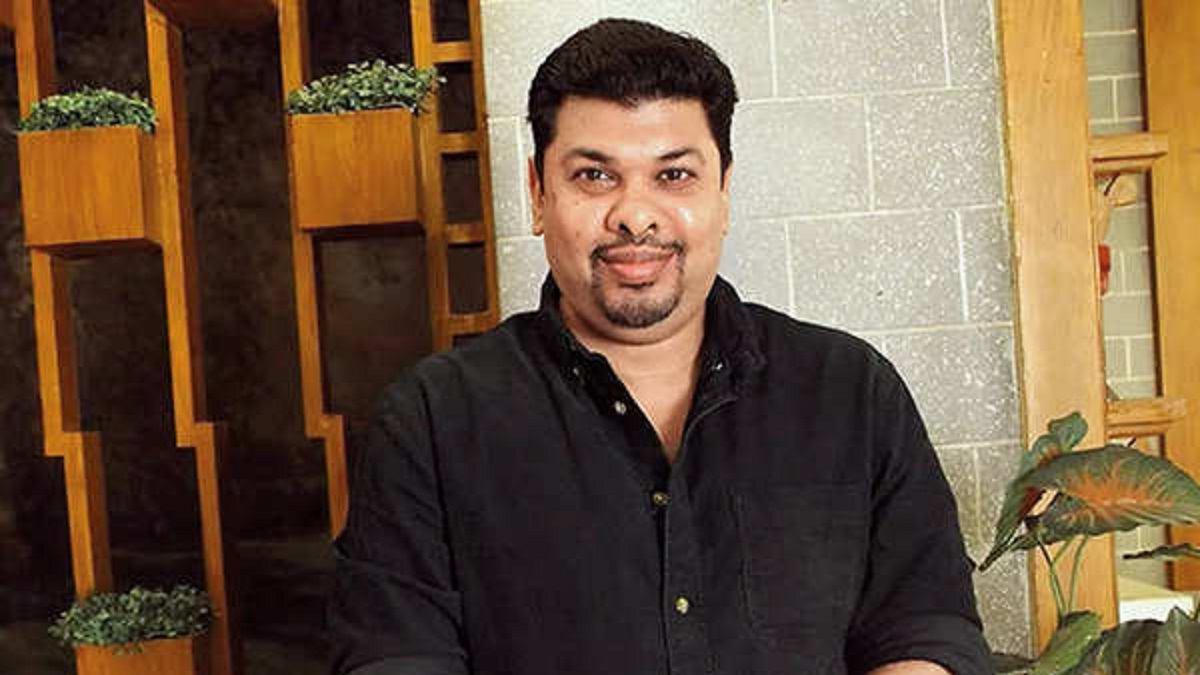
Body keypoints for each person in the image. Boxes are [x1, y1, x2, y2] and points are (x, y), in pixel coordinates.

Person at [329, 18, 991, 675]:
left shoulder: (849, 391)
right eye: (595, 175)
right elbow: (395, 655)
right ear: (537, 194)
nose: (636, 215)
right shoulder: (431, 421)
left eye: (673, 175)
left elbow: (927, 627)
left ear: (723, 191)